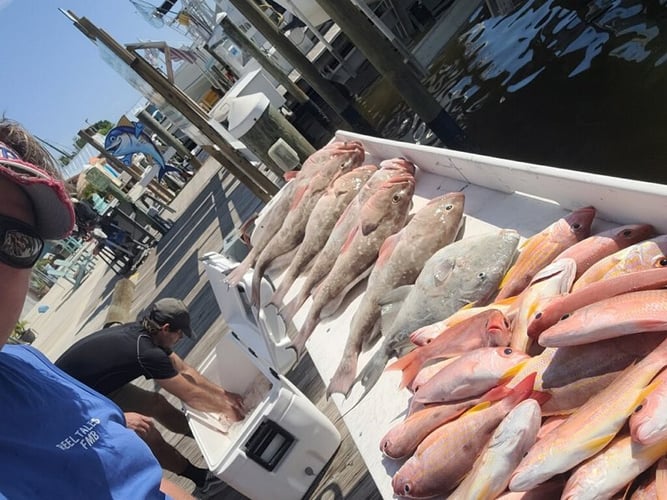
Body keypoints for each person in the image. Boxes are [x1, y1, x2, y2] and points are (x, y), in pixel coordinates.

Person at [0, 118, 192, 499]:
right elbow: (188, 385)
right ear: (166, 330)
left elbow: (142, 479)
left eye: (16, 241)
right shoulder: (145, 349)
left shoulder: (25, 363)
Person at [55, 297, 246, 497]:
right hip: (73, 403)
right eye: (179, 333)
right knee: (145, 430)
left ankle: (208, 440)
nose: (180, 338)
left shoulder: (148, 331)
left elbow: (185, 369)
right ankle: (200, 478)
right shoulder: (146, 352)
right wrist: (231, 416)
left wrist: (225, 396)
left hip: (97, 386)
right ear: (165, 328)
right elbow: (190, 394)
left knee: (157, 403)